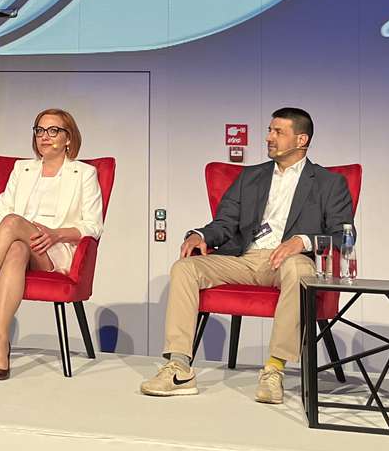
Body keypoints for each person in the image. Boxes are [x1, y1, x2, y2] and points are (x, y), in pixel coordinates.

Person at [141, 106, 355, 405]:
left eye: (278, 132)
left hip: (289, 262)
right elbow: (224, 223)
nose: (269, 137)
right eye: (269, 130)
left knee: (299, 271)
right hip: (244, 258)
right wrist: (200, 235)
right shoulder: (251, 176)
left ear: (301, 140)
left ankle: (274, 369)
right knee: (185, 268)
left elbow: (344, 235)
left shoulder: (328, 182)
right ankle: (179, 367)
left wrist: (302, 241)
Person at [0, 109, 104, 380]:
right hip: (20, 245)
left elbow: (93, 226)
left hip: (55, 251)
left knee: (13, 223)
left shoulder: (84, 173)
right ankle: (1, 342)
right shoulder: (23, 169)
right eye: (39, 130)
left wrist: (57, 234)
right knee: (15, 247)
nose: (44, 136)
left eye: (53, 131)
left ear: (69, 138)